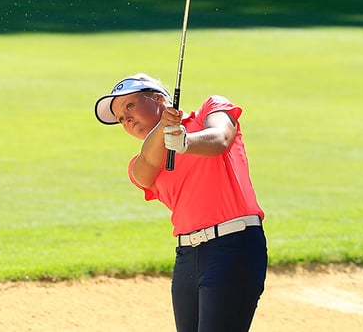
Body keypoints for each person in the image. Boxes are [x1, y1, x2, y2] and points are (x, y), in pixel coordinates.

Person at [93, 73, 267, 332]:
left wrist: (186, 141)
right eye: (120, 118)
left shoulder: (210, 109)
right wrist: (164, 129)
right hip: (188, 255)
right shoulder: (138, 166)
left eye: (129, 105)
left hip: (233, 246)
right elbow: (148, 165)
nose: (126, 119)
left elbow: (220, 139)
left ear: (158, 99)